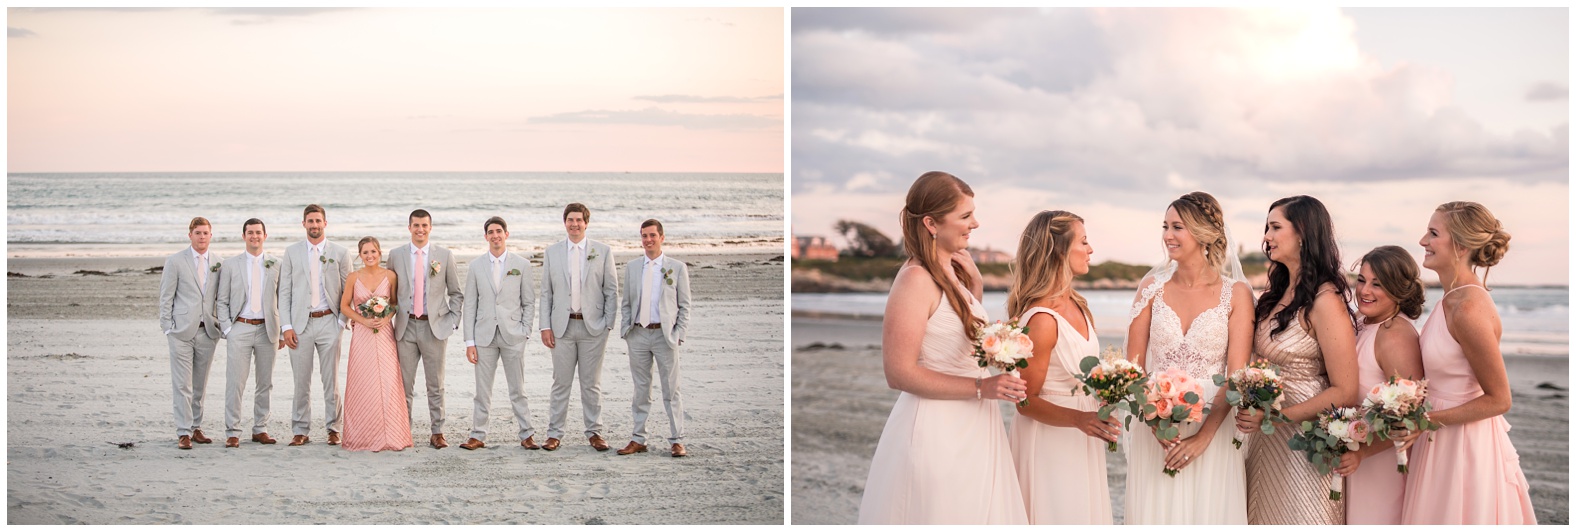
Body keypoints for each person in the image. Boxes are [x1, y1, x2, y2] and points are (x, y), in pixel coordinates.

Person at [857, 171, 1028, 525]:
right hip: (938, 430)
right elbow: (898, 372)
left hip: (977, 425)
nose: (975, 223)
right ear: (932, 223)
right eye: (965, 216)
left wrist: (975, 289)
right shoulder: (915, 279)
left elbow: (958, 341)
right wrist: (984, 387)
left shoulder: (953, 274)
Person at [1395, 202, 1535, 524]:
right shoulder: (1450, 298)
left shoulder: (1468, 308)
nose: (1422, 242)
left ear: (1460, 245)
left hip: (1463, 445)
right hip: (1439, 435)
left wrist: (1425, 420)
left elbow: (1500, 399)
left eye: (1433, 233)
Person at [1123, 192, 1253, 524]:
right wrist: (1157, 428)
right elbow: (1133, 370)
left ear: (1204, 232)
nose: (1167, 235)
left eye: (1177, 226)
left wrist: (1203, 438)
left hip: (1213, 424)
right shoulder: (1151, 288)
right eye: (1165, 226)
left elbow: (1236, 376)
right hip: (1155, 421)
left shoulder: (1236, 293)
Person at [1237, 196, 1361, 524]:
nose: (1266, 236)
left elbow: (1345, 390)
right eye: (1266, 228)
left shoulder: (1325, 300)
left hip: (1303, 439)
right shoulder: (1273, 296)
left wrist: (1277, 417)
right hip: (1262, 437)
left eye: (1276, 227)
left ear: (1303, 232)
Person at [1004, 210, 1117, 524]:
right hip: (1050, 438)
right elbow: (1025, 401)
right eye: (1083, 241)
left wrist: (1107, 395)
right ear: (1059, 251)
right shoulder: (1041, 318)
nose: (1090, 249)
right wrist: (1080, 418)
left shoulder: (1079, 304)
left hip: (1082, 433)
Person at [1333, 245, 1425, 524]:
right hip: (1355, 456)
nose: (1364, 291)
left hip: (1380, 461)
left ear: (1399, 290)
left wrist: (1362, 453)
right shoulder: (1362, 321)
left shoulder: (1395, 336)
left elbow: (1411, 418)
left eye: (1378, 284)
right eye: (1361, 280)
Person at [538, 203, 619, 452]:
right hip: (561, 328)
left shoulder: (602, 251)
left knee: (591, 383)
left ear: (586, 223)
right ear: (565, 223)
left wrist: (607, 324)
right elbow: (546, 293)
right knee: (560, 382)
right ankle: (554, 434)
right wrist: (545, 326)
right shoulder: (552, 252)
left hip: (593, 327)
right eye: (570, 220)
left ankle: (595, 432)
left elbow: (611, 290)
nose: (575, 224)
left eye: (579, 220)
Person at [458, 217, 542, 451]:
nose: (495, 235)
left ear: (506, 234)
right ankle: (478, 435)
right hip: (484, 336)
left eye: (499, 231)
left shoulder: (521, 264)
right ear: (485, 237)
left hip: (513, 335)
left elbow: (529, 301)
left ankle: (527, 434)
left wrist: (525, 330)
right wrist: (469, 341)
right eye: (490, 232)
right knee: (482, 391)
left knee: (518, 389)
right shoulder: (476, 266)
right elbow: (470, 305)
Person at [277, 204, 353, 446]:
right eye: (310, 221)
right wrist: (286, 326)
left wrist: (341, 321)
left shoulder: (340, 253)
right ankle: (301, 430)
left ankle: (334, 428)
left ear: (325, 223)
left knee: (331, 380)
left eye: (318, 221)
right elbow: (285, 292)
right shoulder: (291, 252)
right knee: (301, 381)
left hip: (329, 322)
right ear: (304, 224)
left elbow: (347, 291)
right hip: (300, 325)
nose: (314, 225)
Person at [616, 219, 692, 458]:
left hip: (664, 335)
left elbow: (685, 306)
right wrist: (627, 330)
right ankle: (638, 438)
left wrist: (677, 334)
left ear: (662, 237)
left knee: (671, 390)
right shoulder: (633, 267)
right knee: (641, 389)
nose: (648, 240)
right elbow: (626, 302)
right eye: (644, 236)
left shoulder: (676, 268)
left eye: (652, 235)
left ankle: (677, 440)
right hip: (638, 334)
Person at [387, 209, 463, 449]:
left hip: (435, 327)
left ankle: (437, 431)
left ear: (431, 227)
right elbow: (389, 291)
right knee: (404, 384)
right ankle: (403, 431)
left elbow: (456, 293)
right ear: (409, 227)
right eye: (416, 225)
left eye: (424, 226)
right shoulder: (395, 255)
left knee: (435, 383)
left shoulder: (444, 255)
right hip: (405, 326)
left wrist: (452, 321)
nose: (420, 229)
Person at [215, 218, 285, 448]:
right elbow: (222, 300)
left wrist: (283, 330)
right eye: (250, 232)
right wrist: (227, 329)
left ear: (265, 236)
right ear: (243, 236)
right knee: (235, 382)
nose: (254, 236)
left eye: (258, 232)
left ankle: (260, 428)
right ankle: (233, 431)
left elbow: (283, 299)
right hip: (240, 328)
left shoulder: (276, 264)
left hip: (268, 330)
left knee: (265, 382)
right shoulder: (230, 265)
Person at [339, 237, 413, 452]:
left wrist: (386, 317)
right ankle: (362, 436)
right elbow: (345, 306)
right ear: (360, 255)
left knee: (388, 381)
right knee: (363, 381)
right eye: (365, 253)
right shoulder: (353, 277)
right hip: (362, 335)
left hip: (384, 334)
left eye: (373, 251)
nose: (369, 256)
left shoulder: (390, 276)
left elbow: (394, 304)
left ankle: (392, 434)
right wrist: (362, 320)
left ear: (380, 252)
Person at [159, 217, 224, 449]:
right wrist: (167, 326)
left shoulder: (219, 262)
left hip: (207, 331)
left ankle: (196, 427)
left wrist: (220, 325)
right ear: (190, 235)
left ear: (211, 235)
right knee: (182, 384)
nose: (202, 237)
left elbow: (221, 298)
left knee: (200, 384)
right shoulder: (176, 261)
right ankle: (183, 431)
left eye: (205, 233)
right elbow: (166, 296)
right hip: (181, 332)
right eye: (198, 233)